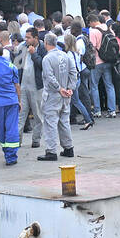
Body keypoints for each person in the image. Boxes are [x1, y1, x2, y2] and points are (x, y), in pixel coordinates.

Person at [38, 32, 77, 161]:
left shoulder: (47, 59)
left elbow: (49, 77)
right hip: (66, 94)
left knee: (50, 123)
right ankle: (68, 147)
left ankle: (51, 150)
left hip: (53, 94)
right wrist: (70, 88)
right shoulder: (65, 56)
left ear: (46, 43)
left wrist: (59, 89)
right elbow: (73, 72)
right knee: (64, 121)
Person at [14, 27, 44, 148]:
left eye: (28, 37)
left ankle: (36, 139)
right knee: (21, 114)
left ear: (35, 38)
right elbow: (16, 66)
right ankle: (17, 140)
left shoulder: (42, 48)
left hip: (37, 86)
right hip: (23, 85)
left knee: (38, 115)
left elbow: (43, 64)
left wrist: (34, 54)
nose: (26, 40)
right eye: (25, 37)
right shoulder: (22, 47)